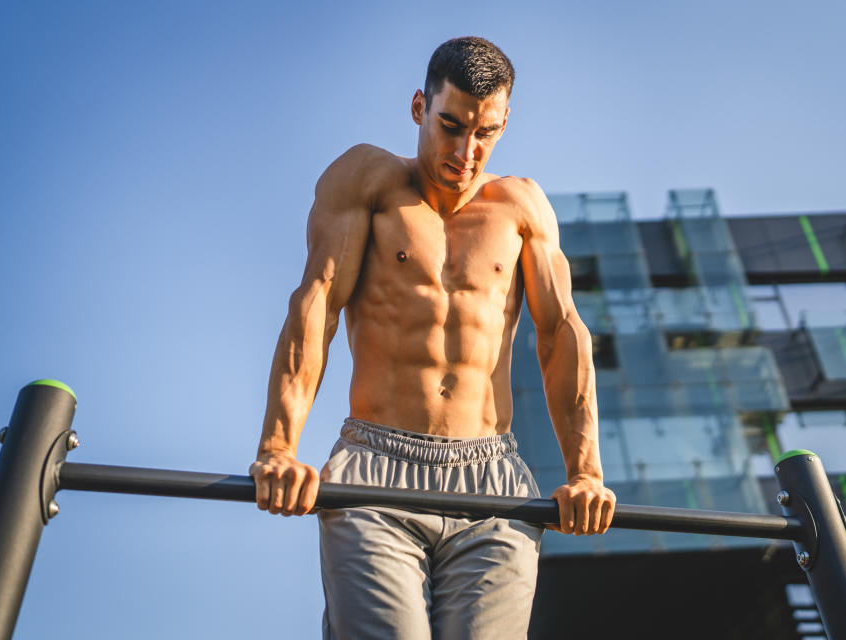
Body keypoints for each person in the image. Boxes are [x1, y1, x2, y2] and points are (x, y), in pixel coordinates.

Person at [249, 36, 616, 639]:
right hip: (375, 471)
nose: (466, 151)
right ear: (420, 106)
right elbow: (315, 307)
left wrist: (586, 472)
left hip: (491, 479)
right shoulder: (367, 181)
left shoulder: (521, 207)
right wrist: (279, 448)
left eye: (486, 133)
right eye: (451, 125)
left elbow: (561, 334)